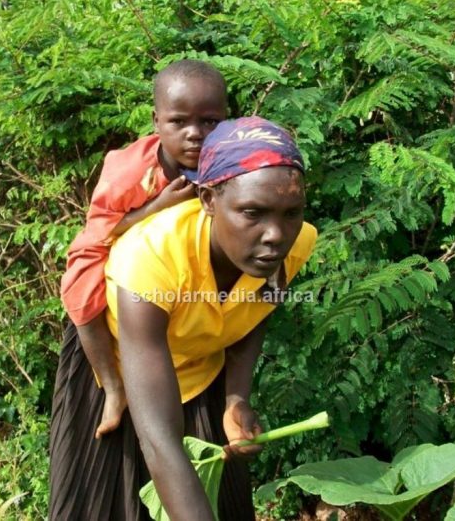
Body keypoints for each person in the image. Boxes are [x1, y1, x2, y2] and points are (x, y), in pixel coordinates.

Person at [49, 116, 318, 520]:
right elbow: (159, 439)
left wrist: (235, 397)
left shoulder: (295, 245)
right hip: (119, 367)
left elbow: (253, 309)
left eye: (290, 213)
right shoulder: (151, 255)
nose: (276, 235)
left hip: (200, 367)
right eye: (252, 212)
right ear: (209, 201)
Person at [59, 60, 228, 438]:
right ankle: (113, 388)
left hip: (182, 283)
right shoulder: (129, 170)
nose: (194, 134)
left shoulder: (228, 159)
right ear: (156, 121)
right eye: (179, 122)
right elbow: (103, 225)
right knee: (80, 289)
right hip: (115, 245)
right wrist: (156, 207)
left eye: (209, 122)